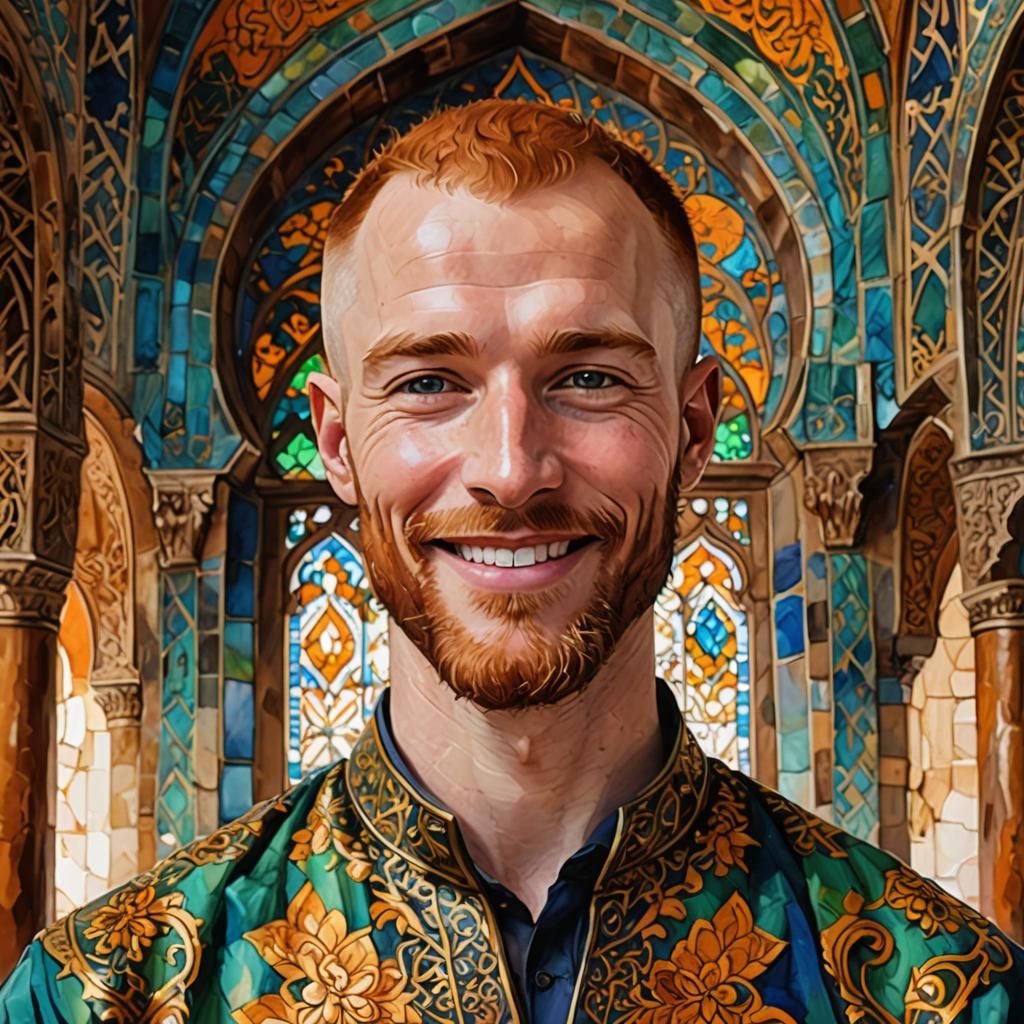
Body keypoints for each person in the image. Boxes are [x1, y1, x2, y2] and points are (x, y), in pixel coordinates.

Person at [1, 99, 1021, 1023]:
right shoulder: (107, 993)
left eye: (585, 375)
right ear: (339, 441)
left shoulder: (931, 994)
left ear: (696, 424)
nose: (510, 469)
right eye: (429, 381)